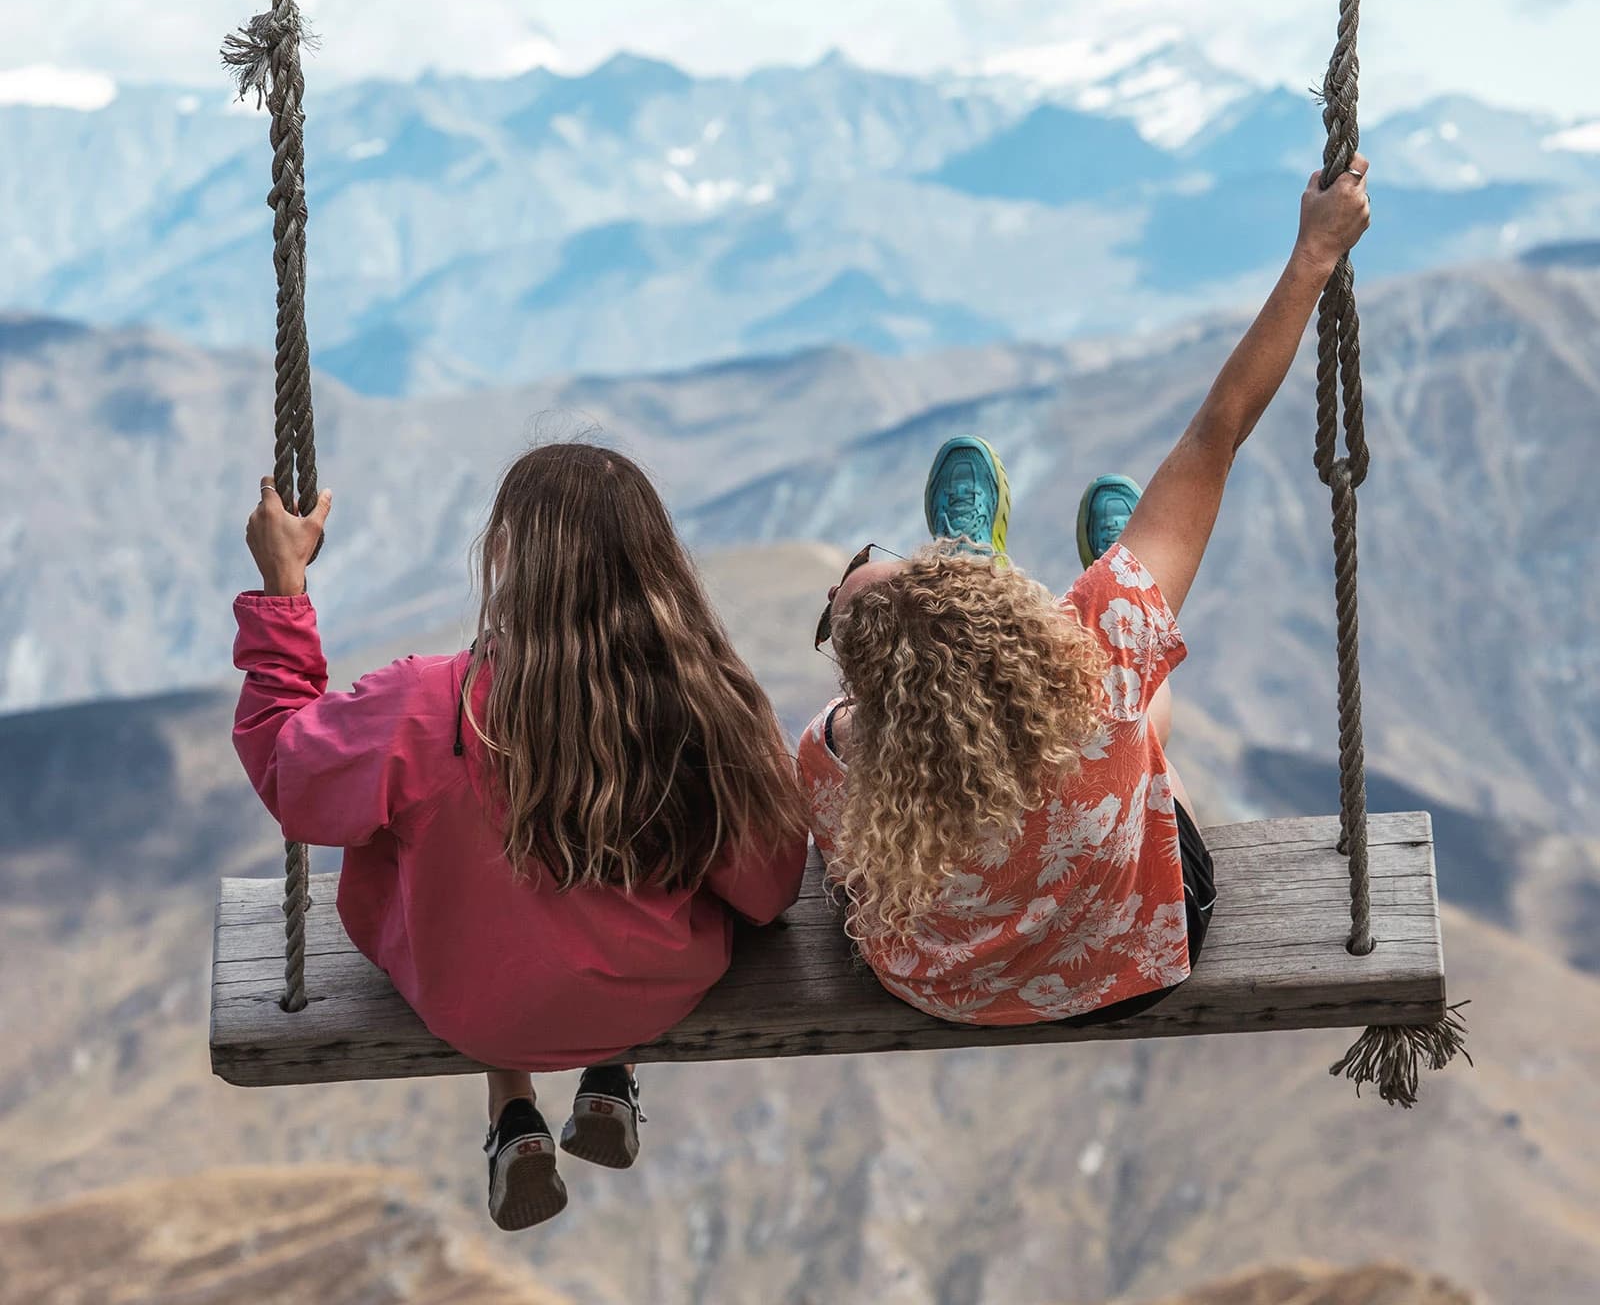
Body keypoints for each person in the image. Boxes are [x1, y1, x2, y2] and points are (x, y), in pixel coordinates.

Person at [798, 156, 1372, 1027]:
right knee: (1127, 722)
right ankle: (1069, 579)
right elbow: (1217, 434)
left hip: (947, 992)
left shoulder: (834, 752)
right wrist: (1314, 254)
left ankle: (995, 560)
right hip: (1134, 955)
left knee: (1104, 714)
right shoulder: (1095, 655)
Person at [233, 443, 808, 1231]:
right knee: (621, 898)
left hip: (475, 1004)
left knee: (458, 872)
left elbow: (289, 768)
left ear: (504, 553)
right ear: (657, 560)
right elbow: (769, 890)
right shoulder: (709, 702)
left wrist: (284, 589)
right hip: (653, 994)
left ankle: (513, 1110)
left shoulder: (432, 703)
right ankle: (612, 1071)